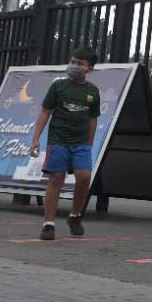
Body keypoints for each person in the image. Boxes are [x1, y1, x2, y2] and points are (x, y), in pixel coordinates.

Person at [29, 48, 101, 240]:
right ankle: (48, 224)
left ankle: (75, 216)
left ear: (89, 69)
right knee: (56, 179)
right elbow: (45, 112)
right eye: (73, 62)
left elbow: (93, 119)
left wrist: (89, 144)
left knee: (84, 177)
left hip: (81, 143)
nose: (75, 66)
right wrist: (36, 138)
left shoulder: (92, 91)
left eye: (80, 64)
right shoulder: (58, 86)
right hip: (58, 140)